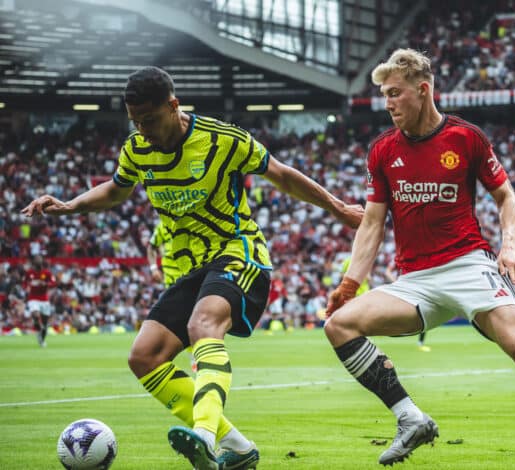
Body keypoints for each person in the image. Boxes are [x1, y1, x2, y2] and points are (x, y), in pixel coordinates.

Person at [22, 66, 362, 470]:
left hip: (239, 253)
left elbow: (282, 175)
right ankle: (235, 446)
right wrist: (70, 204)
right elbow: (117, 189)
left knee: (204, 325)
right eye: (136, 122)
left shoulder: (224, 140)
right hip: (190, 267)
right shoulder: (136, 149)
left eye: (148, 120)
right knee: (144, 357)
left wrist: (339, 209)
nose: (143, 130)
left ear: (173, 105)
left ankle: (202, 435)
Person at [324, 49, 515, 469]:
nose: (388, 104)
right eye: (384, 95)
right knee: (338, 326)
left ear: (423, 90)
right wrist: (350, 283)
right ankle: (411, 419)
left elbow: (506, 198)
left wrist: (508, 246)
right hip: (415, 279)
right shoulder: (382, 151)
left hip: (469, 264)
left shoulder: (465, 137)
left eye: (395, 94)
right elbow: (372, 225)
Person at [384, 259, 430, 351]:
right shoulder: (397, 259)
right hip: (401, 290)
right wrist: (396, 282)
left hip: (416, 289)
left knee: (425, 311)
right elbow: (387, 272)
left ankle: (420, 342)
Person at [24, 255, 56, 347]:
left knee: (45, 323)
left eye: (40, 258)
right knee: (35, 315)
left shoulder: (47, 273)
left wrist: (45, 283)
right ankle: (38, 327)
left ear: (42, 261)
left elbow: (54, 282)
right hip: (33, 298)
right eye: (36, 258)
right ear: (33, 261)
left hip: (44, 299)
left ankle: (41, 339)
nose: (38, 260)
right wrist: (26, 287)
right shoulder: (29, 273)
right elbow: (24, 282)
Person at [147, 220, 181, 288]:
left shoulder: (191, 220)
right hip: (172, 280)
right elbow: (151, 248)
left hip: (193, 275)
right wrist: (154, 269)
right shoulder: (162, 226)